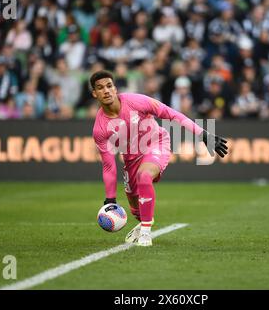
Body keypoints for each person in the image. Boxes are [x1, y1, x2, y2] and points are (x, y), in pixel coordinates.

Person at [91, 70, 228, 247]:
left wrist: (203, 134)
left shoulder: (136, 101)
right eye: (100, 88)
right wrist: (110, 199)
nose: (106, 91)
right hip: (131, 158)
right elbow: (109, 166)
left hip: (156, 144)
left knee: (144, 176)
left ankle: (146, 233)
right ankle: (145, 220)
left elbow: (172, 114)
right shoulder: (100, 129)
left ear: (115, 88)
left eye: (109, 86)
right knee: (135, 207)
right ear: (95, 94)